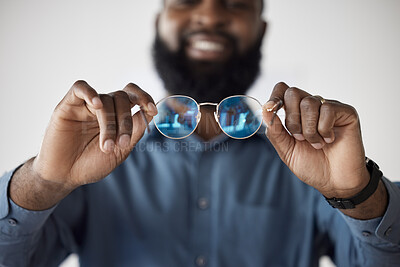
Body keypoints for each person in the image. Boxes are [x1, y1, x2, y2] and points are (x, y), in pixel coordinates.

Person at [0, 0, 399, 266]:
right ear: (159, 22)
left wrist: (358, 193)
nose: (209, 15)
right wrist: (43, 182)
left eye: (236, 2)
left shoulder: (313, 160)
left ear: (260, 30)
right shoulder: (93, 157)